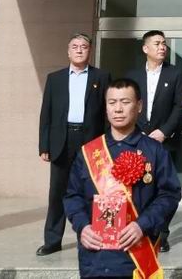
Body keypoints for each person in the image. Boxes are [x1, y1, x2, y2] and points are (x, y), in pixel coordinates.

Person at [63, 78, 182, 279]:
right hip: (95, 257)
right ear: (106, 107)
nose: (118, 109)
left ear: (139, 106)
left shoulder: (154, 151)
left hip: (136, 255)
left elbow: (169, 195)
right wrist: (82, 227)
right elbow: (72, 196)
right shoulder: (88, 152)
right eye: (112, 102)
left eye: (125, 102)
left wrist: (141, 225)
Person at [37, 33, 110, 256]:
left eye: (84, 46)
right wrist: (44, 145)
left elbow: (107, 114)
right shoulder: (55, 78)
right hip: (62, 140)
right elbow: (46, 114)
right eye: (75, 46)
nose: (79, 50)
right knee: (57, 193)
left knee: (92, 191)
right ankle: (52, 240)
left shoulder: (102, 76)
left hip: (92, 142)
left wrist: (109, 144)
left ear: (90, 51)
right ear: (68, 52)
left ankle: (92, 238)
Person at [124, 30, 182, 252]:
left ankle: (162, 232)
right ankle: (140, 229)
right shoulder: (133, 75)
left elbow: (179, 106)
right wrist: (135, 132)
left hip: (165, 141)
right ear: (145, 48)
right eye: (157, 43)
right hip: (138, 140)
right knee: (140, 188)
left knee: (164, 189)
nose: (162, 47)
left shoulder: (175, 73)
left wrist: (164, 131)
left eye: (164, 44)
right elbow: (128, 104)